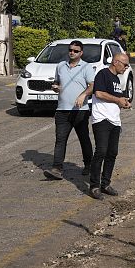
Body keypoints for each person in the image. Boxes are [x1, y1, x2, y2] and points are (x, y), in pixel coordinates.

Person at [44, 40, 94, 181]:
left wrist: (83, 95)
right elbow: (56, 82)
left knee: (83, 139)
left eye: (75, 51)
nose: (72, 52)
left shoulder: (86, 67)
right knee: (60, 140)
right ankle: (57, 169)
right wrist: (55, 87)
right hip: (62, 110)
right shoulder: (60, 66)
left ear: (81, 53)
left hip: (80, 111)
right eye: (70, 50)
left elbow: (92, 86)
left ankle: (89, 165)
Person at [89, 52, 132, 199]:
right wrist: (117, 100)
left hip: (115, 120)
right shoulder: (103, 74)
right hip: (102, 119)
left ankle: (105, 184)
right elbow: (99, 93)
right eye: (125, 64)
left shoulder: (116, 79)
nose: (126, 68)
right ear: (115, 62)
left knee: (112, 153)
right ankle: (94, 186)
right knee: (101, 151)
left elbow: (115, 98)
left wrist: (123, 101)